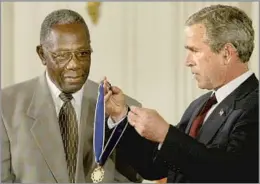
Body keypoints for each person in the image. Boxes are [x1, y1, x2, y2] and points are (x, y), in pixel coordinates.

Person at [104, 4, 259, 183]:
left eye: (194, 50)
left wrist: (165, 133)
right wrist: (120, 116)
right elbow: (154, 167)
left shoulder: (255, 105)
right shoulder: (200, 106)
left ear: (226, 54)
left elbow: (231, 173)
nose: (187, 61)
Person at [1, 9, 142, 183]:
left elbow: (132, 178)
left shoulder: (123, 110)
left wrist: (119, 122)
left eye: (82, 54)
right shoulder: (6, 106)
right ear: (42, 54)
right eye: (62, 55)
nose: (74, 64)